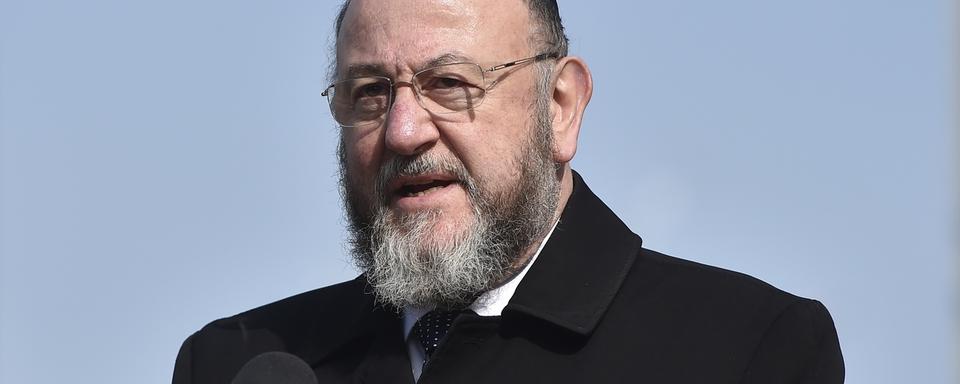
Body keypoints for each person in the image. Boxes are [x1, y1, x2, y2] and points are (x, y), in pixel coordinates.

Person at [172, 0, 844, 383]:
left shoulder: (746, 352)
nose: (404, 132)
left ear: (559, 107)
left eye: (449, 84)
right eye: (370, 93)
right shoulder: (239, 363)